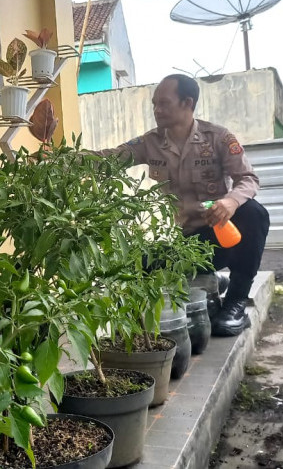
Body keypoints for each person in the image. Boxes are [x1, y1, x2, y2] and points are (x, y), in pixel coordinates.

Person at [95, 74, 270, 337]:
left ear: (187, 103)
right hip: (186, 244)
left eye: (164, 103)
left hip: (221, 236)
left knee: (254, 213)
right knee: (138, 263)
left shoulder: (218, 138)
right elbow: (108, 158)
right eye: (154, 104)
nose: (157, 110)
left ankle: (235, 303)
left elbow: (248, 179)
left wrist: (230, 202)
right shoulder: (150, 143)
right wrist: (61, 158)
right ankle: (213, 280)